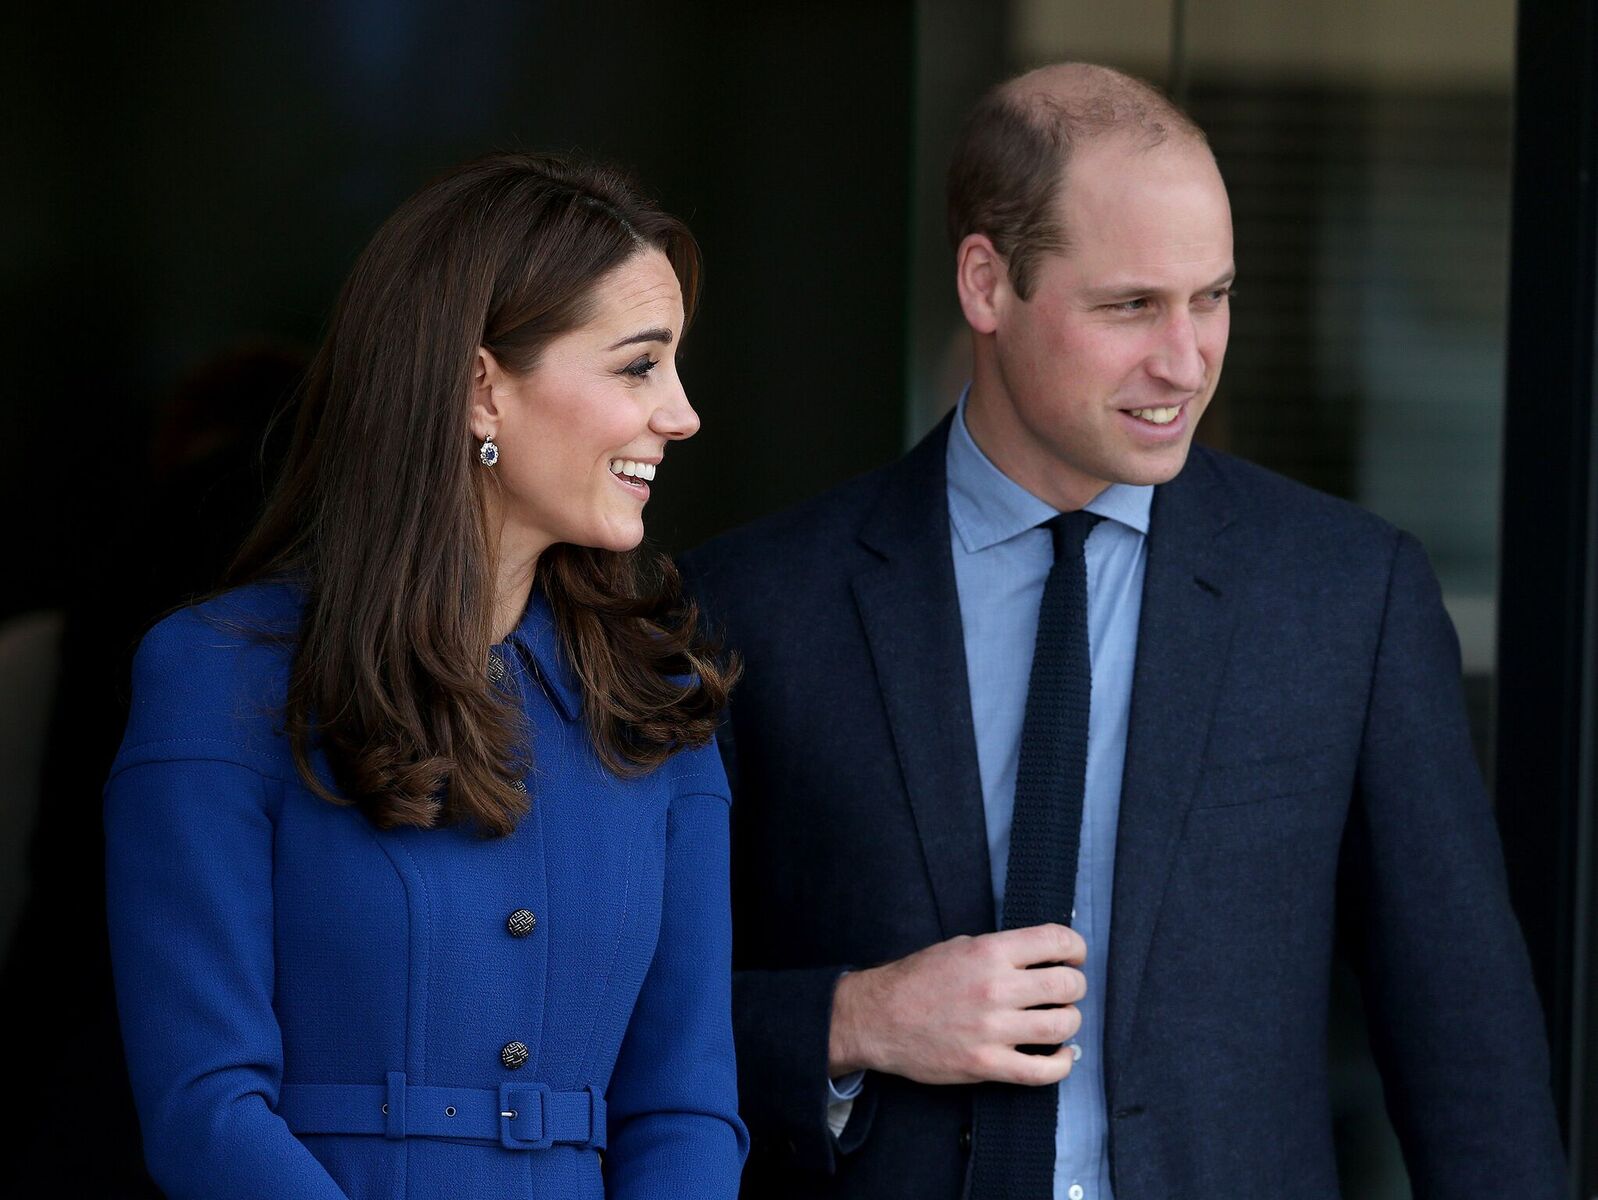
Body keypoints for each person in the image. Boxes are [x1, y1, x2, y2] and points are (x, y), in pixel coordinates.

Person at [680, 63, 1566, 1199]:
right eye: (1131, 305)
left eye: (1213, 298)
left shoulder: (1344, 595)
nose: (1185, 359)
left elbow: (1464, 1041)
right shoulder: (757, 603)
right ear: (986, 283)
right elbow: (633, 1021)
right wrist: (855, 1018)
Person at [104, 152, 749, 1200]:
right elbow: (206, 1109)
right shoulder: (218, 677)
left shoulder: (659, 706)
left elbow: (682, 1106)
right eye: (638, 365)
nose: (678, 414)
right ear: (479, 389)